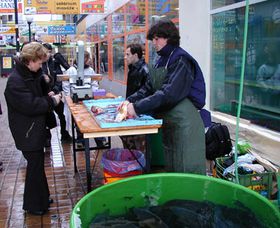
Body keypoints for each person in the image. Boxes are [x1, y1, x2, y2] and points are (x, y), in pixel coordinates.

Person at [124, 19, 206, 174]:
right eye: (152, 39)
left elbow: (169, 94)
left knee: (186, 168)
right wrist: (129, 100)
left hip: (185, 125)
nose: (154, 42)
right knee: (172, 167)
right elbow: (148, 87)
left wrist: (137, 108)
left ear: (169, 38)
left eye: (157, 38)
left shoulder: (181, 60)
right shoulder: (160, 60)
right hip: (170, 122)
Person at [4, 42, 62, 215]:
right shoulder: (15, 81)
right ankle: (33, 205)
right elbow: (31, 105)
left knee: (37, 166)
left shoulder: (29, 73)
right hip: (27, 131)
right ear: (30, 60)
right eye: (40, 62)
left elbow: (38, 91)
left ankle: (42, 198)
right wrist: (52, 101)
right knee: (34, 167)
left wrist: (48, 90)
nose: (42, 66)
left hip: (34, 128)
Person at [65, 51, 107, 148]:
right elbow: (66, 85)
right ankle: (80, 141)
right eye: (87, 58)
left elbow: (94, 83)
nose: (89, 61)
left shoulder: (90, 70)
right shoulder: (71, 70)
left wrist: (93, 93)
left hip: (90, 99)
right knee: (79, 120)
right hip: (76, 100)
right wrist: (69, 97)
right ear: (82, 59)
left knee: (94, 119)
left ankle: (100, 140)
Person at [121, 43, 149, 151]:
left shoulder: (144, 70)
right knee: (127, 138)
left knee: (138, 144)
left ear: (135, 55)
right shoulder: (133, 69)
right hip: (131, 109)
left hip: (139, 111)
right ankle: (130, 160)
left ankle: (138, 164)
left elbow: (146, 91)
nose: (125, 57)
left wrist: (130, 101)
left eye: (128, 54)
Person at [42, 43, 72, 145]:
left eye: (50, 52)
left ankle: (64, 134)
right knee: (46, 118)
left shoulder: (55, 62)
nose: (48, 54)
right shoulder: (39, 64)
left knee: (62, 115)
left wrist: (55, 91)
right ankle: (47, 139)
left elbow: (59, 78)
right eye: (46, 52)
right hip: (44, 96)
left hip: (56, 95)